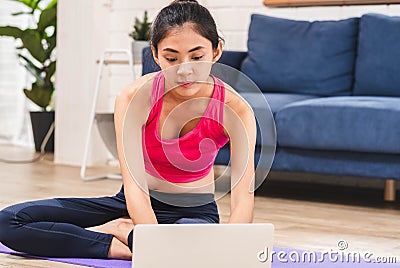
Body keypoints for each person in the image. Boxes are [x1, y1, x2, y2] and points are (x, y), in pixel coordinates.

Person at [0, 0, 256, 260]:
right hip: (131, 204)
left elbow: (242, 198)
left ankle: (130, 234)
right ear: (155, 54)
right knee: (8, 221)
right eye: (171, 58)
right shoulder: (135, 98)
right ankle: (119, 240)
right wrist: (153, 244)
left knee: (194, 251)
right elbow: (134, 186)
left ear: (216, 51)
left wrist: (230, 249)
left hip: (193, 214)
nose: (184, 69)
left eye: (197, 57)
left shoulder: (237, 110)